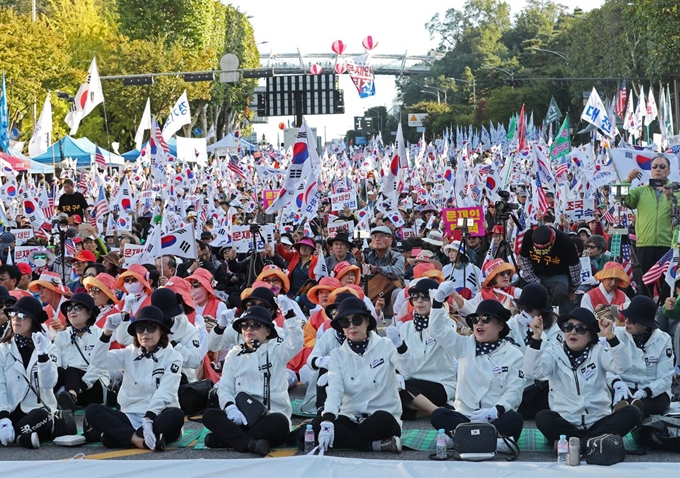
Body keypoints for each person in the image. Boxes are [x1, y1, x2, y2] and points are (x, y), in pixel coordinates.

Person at [525, 307, 641, 448]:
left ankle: (577, 443)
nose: (573, 332)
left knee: (632, 412)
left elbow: (623, 366)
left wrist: (610, 336)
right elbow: (532, 371)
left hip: (598, 420)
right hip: (567, 421)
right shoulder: (554, 352)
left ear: (591, 335)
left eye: (580, 329)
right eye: (568, 327)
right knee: (543, 417)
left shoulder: (599, 352)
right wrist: (536, 337)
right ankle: (594, 443)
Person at [429, 287, 526, 452]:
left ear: (500, 326)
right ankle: (493, 442)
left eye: (486, 319)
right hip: (465, 415)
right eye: (476, 320)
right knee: (439, 415)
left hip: (495, 417)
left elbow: (515, 391)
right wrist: (437, 302)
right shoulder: (463, 344)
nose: (479, 323)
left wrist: (496, 410)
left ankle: (460, 438)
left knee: (514, 419)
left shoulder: (514, 355)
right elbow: (437, 330)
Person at [201, 305, 303, 456]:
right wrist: (230, 408)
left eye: (256, 325)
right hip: (242, 416)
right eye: (244, 325)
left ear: (268, 330)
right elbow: (226, 387)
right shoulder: (234, 354)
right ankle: (250, 443)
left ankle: (229, 439)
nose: (249, 329)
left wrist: (289, 315)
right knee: (209, 415)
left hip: (269, 416)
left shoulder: (277, 350)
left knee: (280, 422)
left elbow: (296, 343)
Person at [312, 297, 409, 454]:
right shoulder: (337, 354)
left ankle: (350, 442)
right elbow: (334, 391)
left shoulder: (386, 345)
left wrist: (401, 347)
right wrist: (328, 420)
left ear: (366, 321)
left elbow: (407, 370)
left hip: (381, 418)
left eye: (356, 320)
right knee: (318, 424)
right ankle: (372, 445)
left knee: (382, 419)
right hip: (351, 417)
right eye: (345, 322)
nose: (352, 326)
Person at [84, 306, 184, 451]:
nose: (145, 333)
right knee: (92, 410)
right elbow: (98, 361)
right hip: (130, 416)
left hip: (158, 415)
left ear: (161, 331)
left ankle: (124, 436)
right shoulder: (129, 352)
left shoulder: (173, 356)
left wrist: (149, 419)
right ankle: (138, 440)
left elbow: (166, 391)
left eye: (151, 328)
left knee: (176, 415)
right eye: (140, 328)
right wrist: (107, 332)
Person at [0, 296, 77, 449]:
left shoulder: (48, 347)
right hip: (10, 411)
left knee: (40, 416)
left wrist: (42, 355)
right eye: (13, 314)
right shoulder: (3, 348)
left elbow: (49, 383)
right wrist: (2, 416)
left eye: (22, 315)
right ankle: (21, 438)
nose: (16, 319)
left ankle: (16, 438)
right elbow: (0, 384)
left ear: (33, 320)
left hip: (37, 412)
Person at [394, 278, 457, 419]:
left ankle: (436, 412)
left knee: (400, 390)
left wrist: (437, 305)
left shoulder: (447, 324)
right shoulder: (405, 327)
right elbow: (404, 366)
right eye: (415, 296)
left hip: (440, 383)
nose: (419, 301)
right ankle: (433, 410)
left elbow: (444, 331)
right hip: (412, 382)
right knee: (387, 393)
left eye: (426, 297)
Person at [609, 296, 673, 418]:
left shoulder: (663, 340)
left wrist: (647, 391)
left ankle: (630, 412)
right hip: (624, 387)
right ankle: (630, 412)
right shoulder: (617, 334)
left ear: (645, 324)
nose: (626, 322)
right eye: (626, 318)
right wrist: (616, 383)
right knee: (610, 397)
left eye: (632, 320)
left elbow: (665, 378)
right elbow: (607, 368)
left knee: (657, 402)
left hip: (652, 392)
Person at [623, 155, 678, 298]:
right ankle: (644, 317)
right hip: (644, 244)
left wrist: (671, 197)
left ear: (668, 170)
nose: (658, 169)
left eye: (662, 166)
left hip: (668, 245)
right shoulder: (641, 191)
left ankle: (664, 316)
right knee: (644, 286)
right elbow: (620, 199)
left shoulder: (676, 191)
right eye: (654, 166)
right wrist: (628, 181)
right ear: (650, 169)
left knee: (668, 286)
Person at [507, 283, 559, 419]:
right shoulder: (512, 324)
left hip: (542, 385)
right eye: (523, 308)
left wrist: (538, 334)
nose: (525, 313)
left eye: (530, 310)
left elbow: (552, 358)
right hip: (518, 383)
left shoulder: (555, 327)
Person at [53, 293, 108, 411]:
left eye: (78, 307)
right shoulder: (61, 336)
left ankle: (71, 397)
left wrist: (81, 386)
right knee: (59, 370)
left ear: (89, 313)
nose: (72, 311)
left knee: (71, 370)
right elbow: (57, 365)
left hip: (92, 385)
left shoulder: (100, 335)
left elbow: (97, 368)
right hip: (68, 385)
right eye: (69, 308)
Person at [517, 225, 581, 313]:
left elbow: (575, 268)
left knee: (560, 293)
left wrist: (572, 289)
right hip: (535, 274)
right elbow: (524, 261)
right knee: (525, 292)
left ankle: (564, 318)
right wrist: (537, 283)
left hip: (558, 275)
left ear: (553, 240)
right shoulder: (528, 236)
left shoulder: (565, 241)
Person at [450, 258, 521, 317]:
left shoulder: (514, 292)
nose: (506, 276)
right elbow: (472, 312)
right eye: (502, 273)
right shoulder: (481, 295)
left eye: (508, 273)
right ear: (492, 277)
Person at [28, 271, 72, 339]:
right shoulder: (44, 311)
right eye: (39, 288)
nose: (40, 292)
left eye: (43, 288)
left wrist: (63, 329)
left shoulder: (71, 308)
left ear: (54, 289)